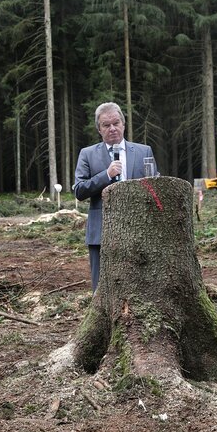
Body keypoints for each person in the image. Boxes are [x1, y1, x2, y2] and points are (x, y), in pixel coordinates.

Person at [73, 102, 157, 292]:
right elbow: (79, 190)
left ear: (123, 124)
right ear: (99, 129)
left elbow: (155, 185)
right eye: (106, 125)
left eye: (116, 123)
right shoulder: (87, 154)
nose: (112, 128)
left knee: (139, 285)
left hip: (137, 231)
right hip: (100, 232)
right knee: (101, 288)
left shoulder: (144, 151)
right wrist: (106, 175)